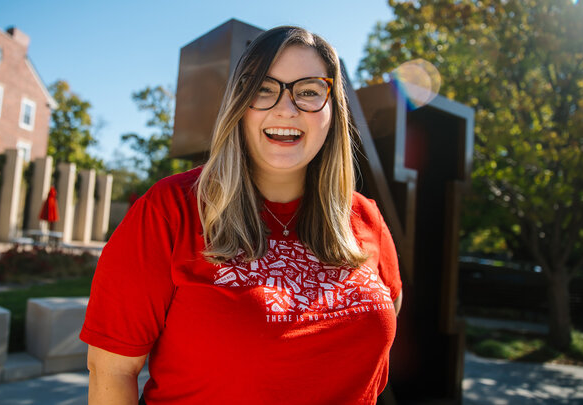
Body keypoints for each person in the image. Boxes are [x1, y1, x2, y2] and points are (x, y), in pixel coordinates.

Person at [80, 25, 403, 405]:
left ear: (332, 110)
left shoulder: (366, 218)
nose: (287, 108)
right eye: (264, 90)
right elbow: (113, 370)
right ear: (239, 104)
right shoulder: (169, 210)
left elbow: (385, 323)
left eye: (309, 91)